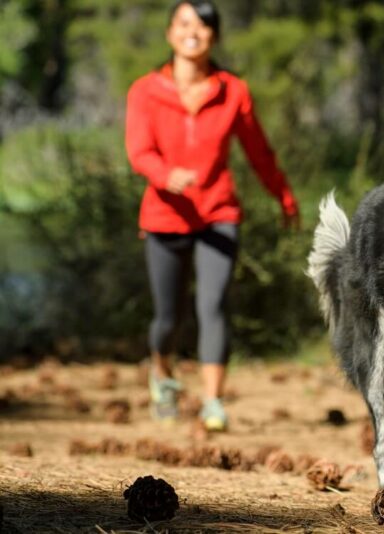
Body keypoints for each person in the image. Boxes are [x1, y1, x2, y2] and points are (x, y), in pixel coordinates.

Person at [125, 0, 299, 431]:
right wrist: (167, 176)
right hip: (164, 215)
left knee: (213, 306)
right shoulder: (144, 91)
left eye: (203, 26)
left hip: (218, 213)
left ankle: (213, 402)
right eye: (185, 24)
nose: (193, 33)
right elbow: (138, 151)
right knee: (168, 318)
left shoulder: (232, 91)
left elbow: (258, 150)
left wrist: (283, 195)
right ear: (170, 33)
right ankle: (162, 373)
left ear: (214, 37)